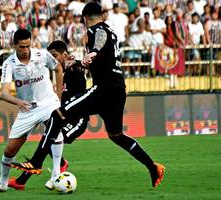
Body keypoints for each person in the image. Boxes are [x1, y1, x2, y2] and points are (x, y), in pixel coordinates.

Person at [13, 2, 165, 189]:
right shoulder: (112, 32)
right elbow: (99, 60)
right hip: (118, 89)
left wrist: (92, 51)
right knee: (116, 135)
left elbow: (99, 38)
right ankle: (153, 167)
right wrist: (77, 61)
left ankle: (36, 162)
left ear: (86, 18)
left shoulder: (97, 30)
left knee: (57, 114)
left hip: (104, 89)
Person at [0, 29, 64, 194]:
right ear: (14, 45)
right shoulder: (9, 63)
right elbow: (4, 93)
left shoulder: (42, 55)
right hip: (27, 110)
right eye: (22, 47)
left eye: (28, 46)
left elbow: (59, 69)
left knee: (55, 128)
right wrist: (18, 101)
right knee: (10, 150)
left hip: (48, 103)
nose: (26, 50)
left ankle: (56, 174)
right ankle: (2, 183)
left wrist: (58, 96)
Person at [8, 40, 89, 190]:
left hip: (77, 119)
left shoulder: (74, 71)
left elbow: (86, 68)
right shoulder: (57, 72)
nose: (53, 59)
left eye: (55, 56)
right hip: (62, 116)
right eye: (50, 56)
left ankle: (24, 179)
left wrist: (76, 62)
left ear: (65, 55)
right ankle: (50, 170)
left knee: (49, 139)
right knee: (49, 139)